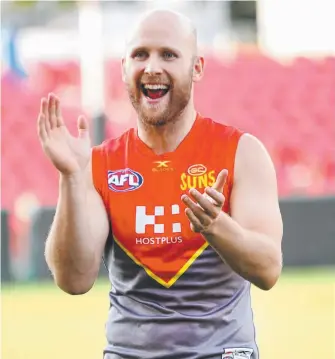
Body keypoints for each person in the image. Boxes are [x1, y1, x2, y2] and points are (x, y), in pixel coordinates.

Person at [37, 9, 283, 359]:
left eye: (168, 54)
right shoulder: (101, 164)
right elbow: (74, 280)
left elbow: (268, 269)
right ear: (124, 67)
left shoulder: (242, 152)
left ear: (196, 67)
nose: (152, 67)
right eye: (140, 54)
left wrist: (216, 225)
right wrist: (72, 179)